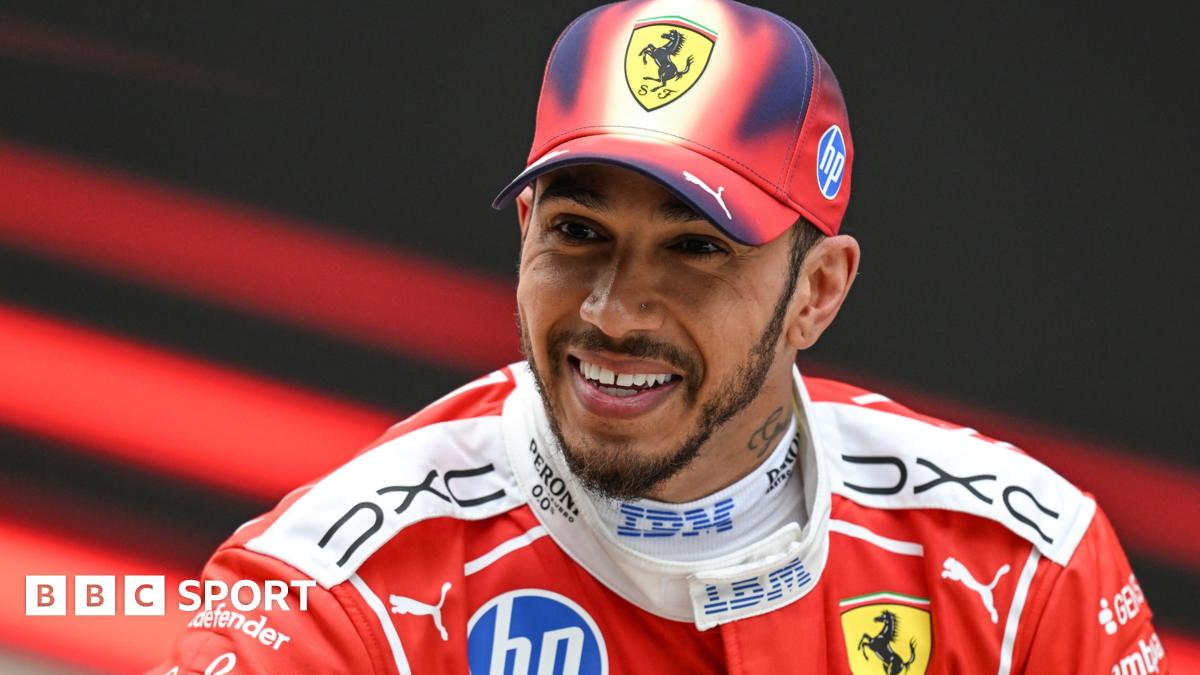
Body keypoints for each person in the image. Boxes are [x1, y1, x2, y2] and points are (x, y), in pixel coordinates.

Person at [152, 1, 1167, 673]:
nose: (614, 311)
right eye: (579, 233)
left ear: (817, 292)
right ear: (524, 237)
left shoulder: (1019, 567)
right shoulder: (342, 595)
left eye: (695, 248)